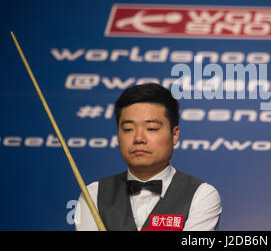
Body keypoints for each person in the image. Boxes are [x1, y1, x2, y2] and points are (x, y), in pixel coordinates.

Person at [75, 83, 222, 231]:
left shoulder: (201, 195)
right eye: (128, 129)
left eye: (151, 128)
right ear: (118, 135)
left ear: (174, 135)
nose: (139, 138)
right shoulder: (94, 194)